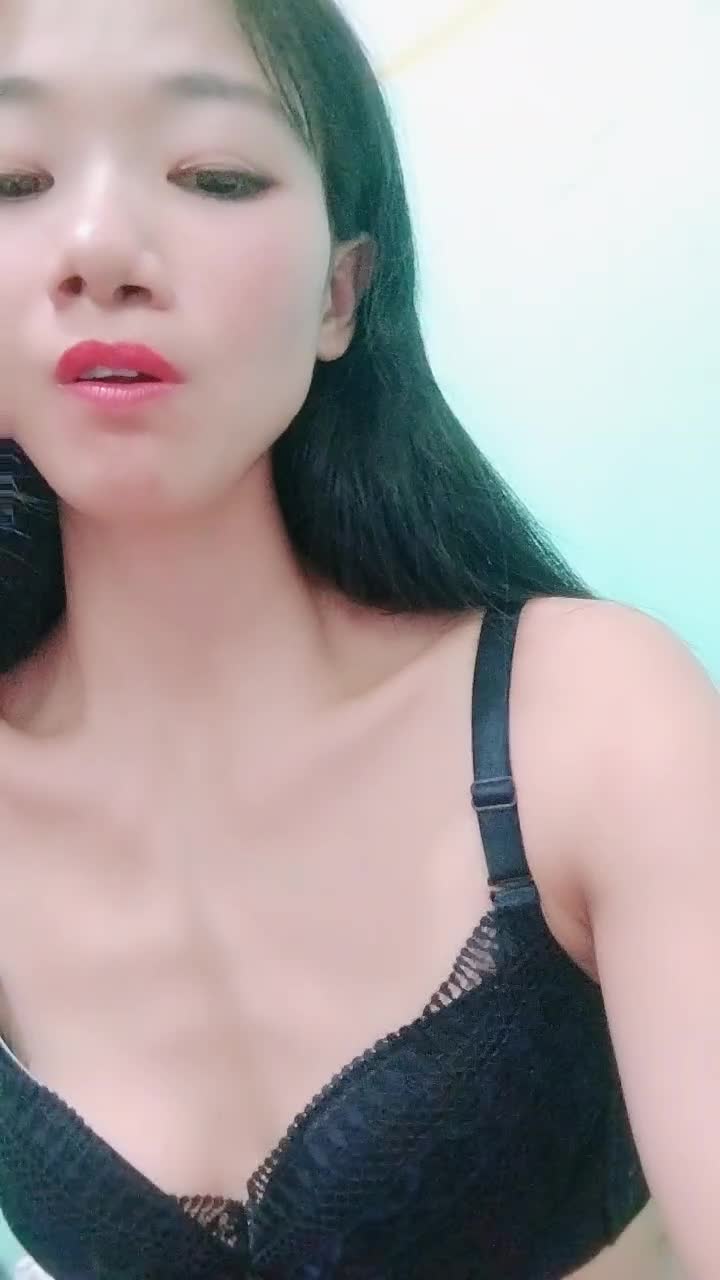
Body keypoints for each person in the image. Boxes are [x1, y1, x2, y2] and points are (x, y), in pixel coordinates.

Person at [0, 0, 715, 1277]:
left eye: (213, 175)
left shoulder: (587, 722)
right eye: (13, 182)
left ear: (341, 292)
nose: (99, 249)